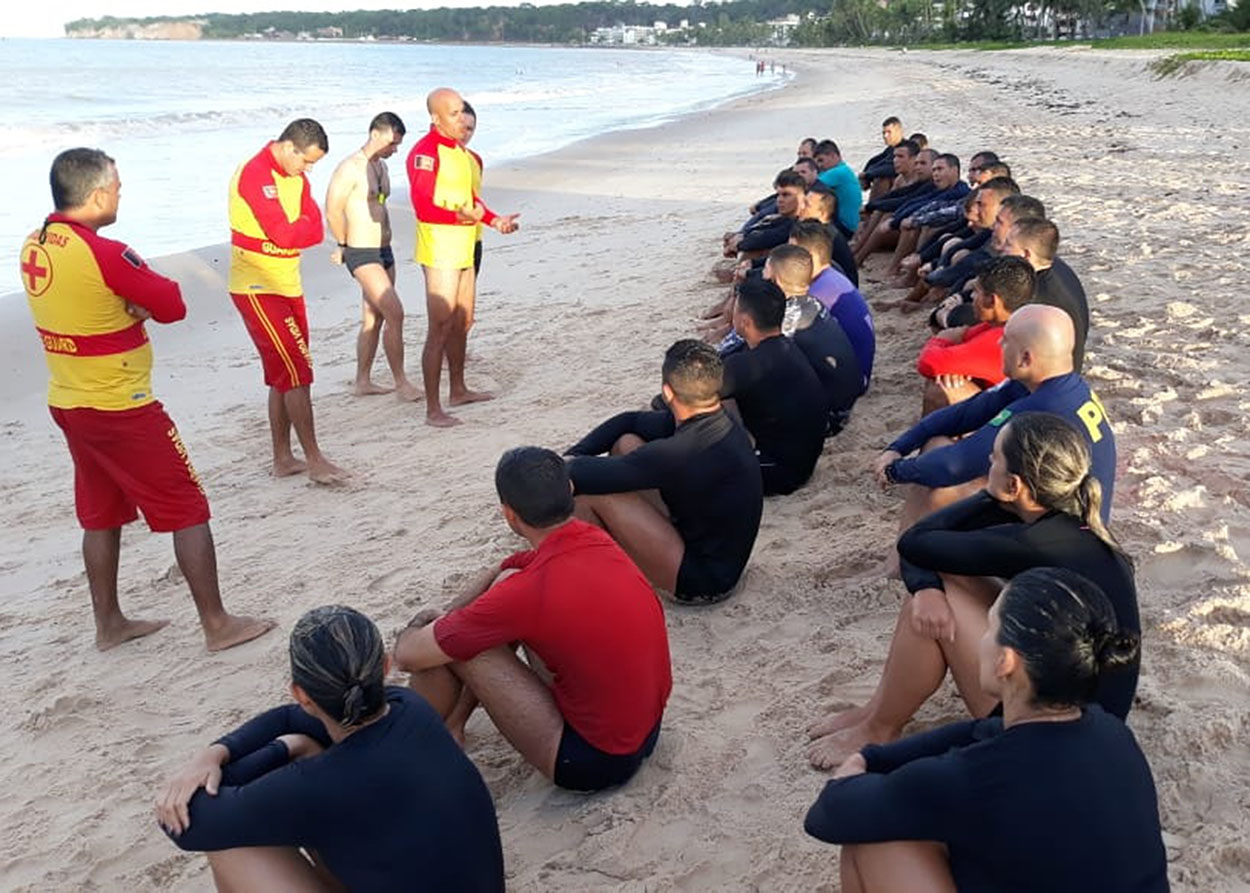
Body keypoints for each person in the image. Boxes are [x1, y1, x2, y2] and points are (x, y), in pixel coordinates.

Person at [22, 148, 273, 652]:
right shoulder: (106, 252)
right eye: (116, 186)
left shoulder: (36, 242)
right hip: (121, 404)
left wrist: (125, 305)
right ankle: (217, 623)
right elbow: (174, 305)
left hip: (69, 400)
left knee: (101, 511)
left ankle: (109, 623)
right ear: (96, 195)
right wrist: (134, 306)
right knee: (187, 506)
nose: (120, 193)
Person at [804, 567, 1167, 893]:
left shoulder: (977, 777)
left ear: (1006, 661)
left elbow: (829, 814)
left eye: (990, 627)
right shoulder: (1111, 732)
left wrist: (855, 766)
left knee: (871, 843)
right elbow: (983, 729)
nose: (981, 638)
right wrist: (874, 754)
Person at [810, 411, 1140, 766]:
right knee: (943, 582)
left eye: (995, 457)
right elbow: (927, 547)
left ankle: (879, 726)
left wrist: (988, 496)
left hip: (1050, 731)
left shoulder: (1032, 542)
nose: (988, 461)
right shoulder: (1069, 522)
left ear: (1015, 486)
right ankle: (876, 712)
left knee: (941, 600)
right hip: (1088, 712)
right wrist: (927, 587)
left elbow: (915, 541)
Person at [156, 606, 504, 892]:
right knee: (307, 750)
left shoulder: (318, 784)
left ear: (301, 694)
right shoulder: (408, 706)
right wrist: (216, 752)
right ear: (383, 668)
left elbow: (188, 825)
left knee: (230, 847)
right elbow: (288, 718)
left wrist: (280, 749)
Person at [394, 447, 672, 792]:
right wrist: (488, 580)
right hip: (647, 729)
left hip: (596, 760)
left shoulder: (530, 591)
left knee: (455, 645)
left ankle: (401, 748)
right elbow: (516, 566)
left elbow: (408, 656)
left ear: (509, 515)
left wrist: (423, 622)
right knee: (491, 602)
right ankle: (453, 723)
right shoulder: (597, 538)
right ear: (568, 490)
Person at [874, 304, 1115, 527]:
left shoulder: (1042, 407)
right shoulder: (1053, 384)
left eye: (1006, 341)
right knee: (936, 447)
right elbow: (966, 413)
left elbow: (953, 466)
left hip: (1066, 536)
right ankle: (899, 565)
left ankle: (897, 568)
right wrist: (899, 447)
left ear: (1025, 358)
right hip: (1060, 509)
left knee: (940, 492)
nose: (999, 344)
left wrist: (894, 471)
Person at [566, 340, 763, 604]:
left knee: (587, 497)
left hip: (703, 581)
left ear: (667, 393)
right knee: (626, 442)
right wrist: (576, 452)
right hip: (706, 543)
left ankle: (595, 584)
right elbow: (629, 421)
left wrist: (564, 464)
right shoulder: (719, 419)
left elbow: (584, 474)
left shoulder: (680, 450)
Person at [229, 118, 346, 484]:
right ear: (289, 147)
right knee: (297, 370)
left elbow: (313, 226)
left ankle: (283, 457)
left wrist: (301, 232)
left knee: (285, 374)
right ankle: (314, 459)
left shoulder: (296, 177)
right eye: (306, 161)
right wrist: (300, 231)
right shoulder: (255, 173)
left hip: (287, 284)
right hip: (257, 287)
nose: (309, 170)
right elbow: (283, 234)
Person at [407, 87, 519, 427]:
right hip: (440, 248)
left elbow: (472, 201)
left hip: (465, 245)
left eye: (462, 113)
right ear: (435, 117)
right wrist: (462, 218)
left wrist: (495, 221)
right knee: (438, 327)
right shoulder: (424, 152)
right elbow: (423, 205)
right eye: (453, 114)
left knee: (461, 322)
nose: (461, 120)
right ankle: (432, 408)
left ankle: (458, 388)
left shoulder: (461, 153)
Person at [325, 112, 422, 402]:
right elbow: (332, 209)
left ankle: (362, 381)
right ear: (376, 134)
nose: (395, 150)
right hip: (361, 251)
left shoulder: (380, 166)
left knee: (373, 317)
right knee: (395, 312)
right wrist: (342, 244)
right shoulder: (350, 168)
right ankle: (402, 383)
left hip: (384, 249)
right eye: (393, 143)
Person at [723, 277, 828, 495]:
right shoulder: (787, 349)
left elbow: (679, 397)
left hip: (776, 472)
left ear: (744, 321)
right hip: (801, 462)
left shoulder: (747, 365)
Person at [916, 255, 1035, 413]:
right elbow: (965, 337)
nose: (971, 297)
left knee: (939, 386)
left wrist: (940, 339)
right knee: (950, 373)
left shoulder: (1000, 338)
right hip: (1018, 405)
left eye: (976, 292)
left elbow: (928, 363)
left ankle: (928, 436)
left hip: (1012, 419)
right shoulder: (1015, 321)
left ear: (992, 301)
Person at [765, 244, 863, 428]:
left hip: (828, 418)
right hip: (845, 404)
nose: (762, 276)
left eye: (765, 270)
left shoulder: (788, 317)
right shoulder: (812, 302)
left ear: (776, 279)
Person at [790, 220, 874, 393]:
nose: (785, 257)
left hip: (848, 383)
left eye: (791, 252)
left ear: (810, 256)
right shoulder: (830, 274)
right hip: (854, 372)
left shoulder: (820, 292)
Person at [1001, 217, 1091, 370]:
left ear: (1026, 255)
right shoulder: (1058, 269)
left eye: (1008, 245)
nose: (1002, 249)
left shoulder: (1034, 300)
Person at [813, 140, 862, 238]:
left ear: (833, 156)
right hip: (848, 225)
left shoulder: (838, 172)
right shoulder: (842, 170)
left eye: (821, 160)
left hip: (845, 227)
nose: (819, 165)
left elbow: (809, 186)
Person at [460, 100, 486, 275]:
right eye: (462, 127)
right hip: (445, 239)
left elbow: (476, 198)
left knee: (467, 301)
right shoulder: (433, 155)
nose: (465, 134)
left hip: (474, 237)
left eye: (470, 129)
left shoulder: (475, 159)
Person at [858, 117, 905, 197]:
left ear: (899, 132)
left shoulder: (905, 148)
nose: (885, 136)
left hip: (903, 186)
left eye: (889, 132)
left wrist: (868, 174)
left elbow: (891, 168)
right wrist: (866, 175)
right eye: (884, 133)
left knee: (881, 179)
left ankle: (872, 207)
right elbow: (874, 161)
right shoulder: (890, 149)